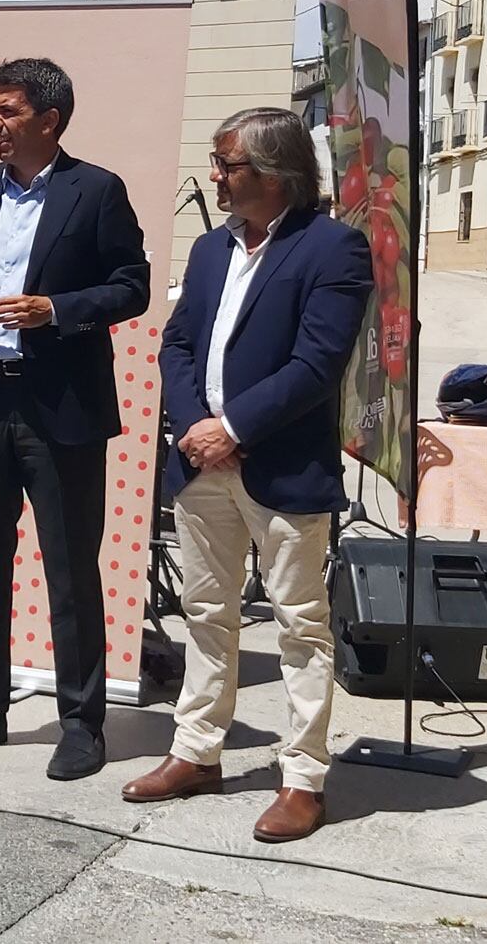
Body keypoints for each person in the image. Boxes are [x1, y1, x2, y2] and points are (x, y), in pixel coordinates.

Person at [121, 107, 373, 843]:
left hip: (282, 468)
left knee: (300, 625)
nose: (218, 177)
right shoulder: (208, 251)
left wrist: (232, 429)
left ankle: (303, 778)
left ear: (274, 174)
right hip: (202, 467)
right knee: (206, 616)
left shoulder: (334, 250)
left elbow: (317, 366)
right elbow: (177, 345)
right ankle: (197, 753)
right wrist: (198, 427)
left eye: (228, 164)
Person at [0, 57, 151, 781]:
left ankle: (82, 722)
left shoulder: (97, 190)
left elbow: (132, 286)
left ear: (49, 121)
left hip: (62, 410)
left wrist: (58, 311)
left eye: (9, 111)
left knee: (71, 568)